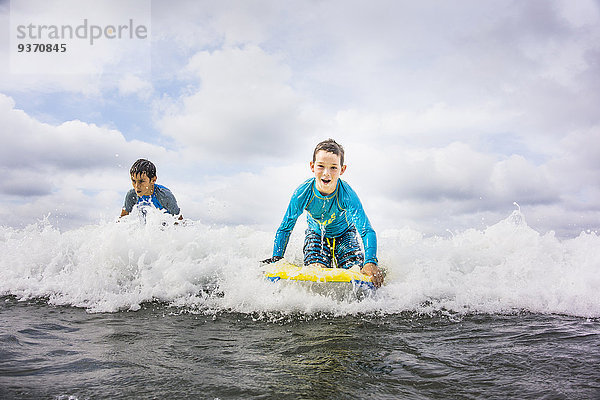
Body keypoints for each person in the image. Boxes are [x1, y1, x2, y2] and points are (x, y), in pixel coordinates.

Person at [264, 139, 384, 287]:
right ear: (312, 166)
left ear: (342, 169)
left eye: (333, 167)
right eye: (321, 166)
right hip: (316, 235)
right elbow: (285, 227)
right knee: (315, 273)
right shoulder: (303, 193)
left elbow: (366, 230)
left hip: (345, 234)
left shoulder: (347, 195)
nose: (326, 173)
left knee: (355, 271)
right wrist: (277, 259)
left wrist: (371, 261)